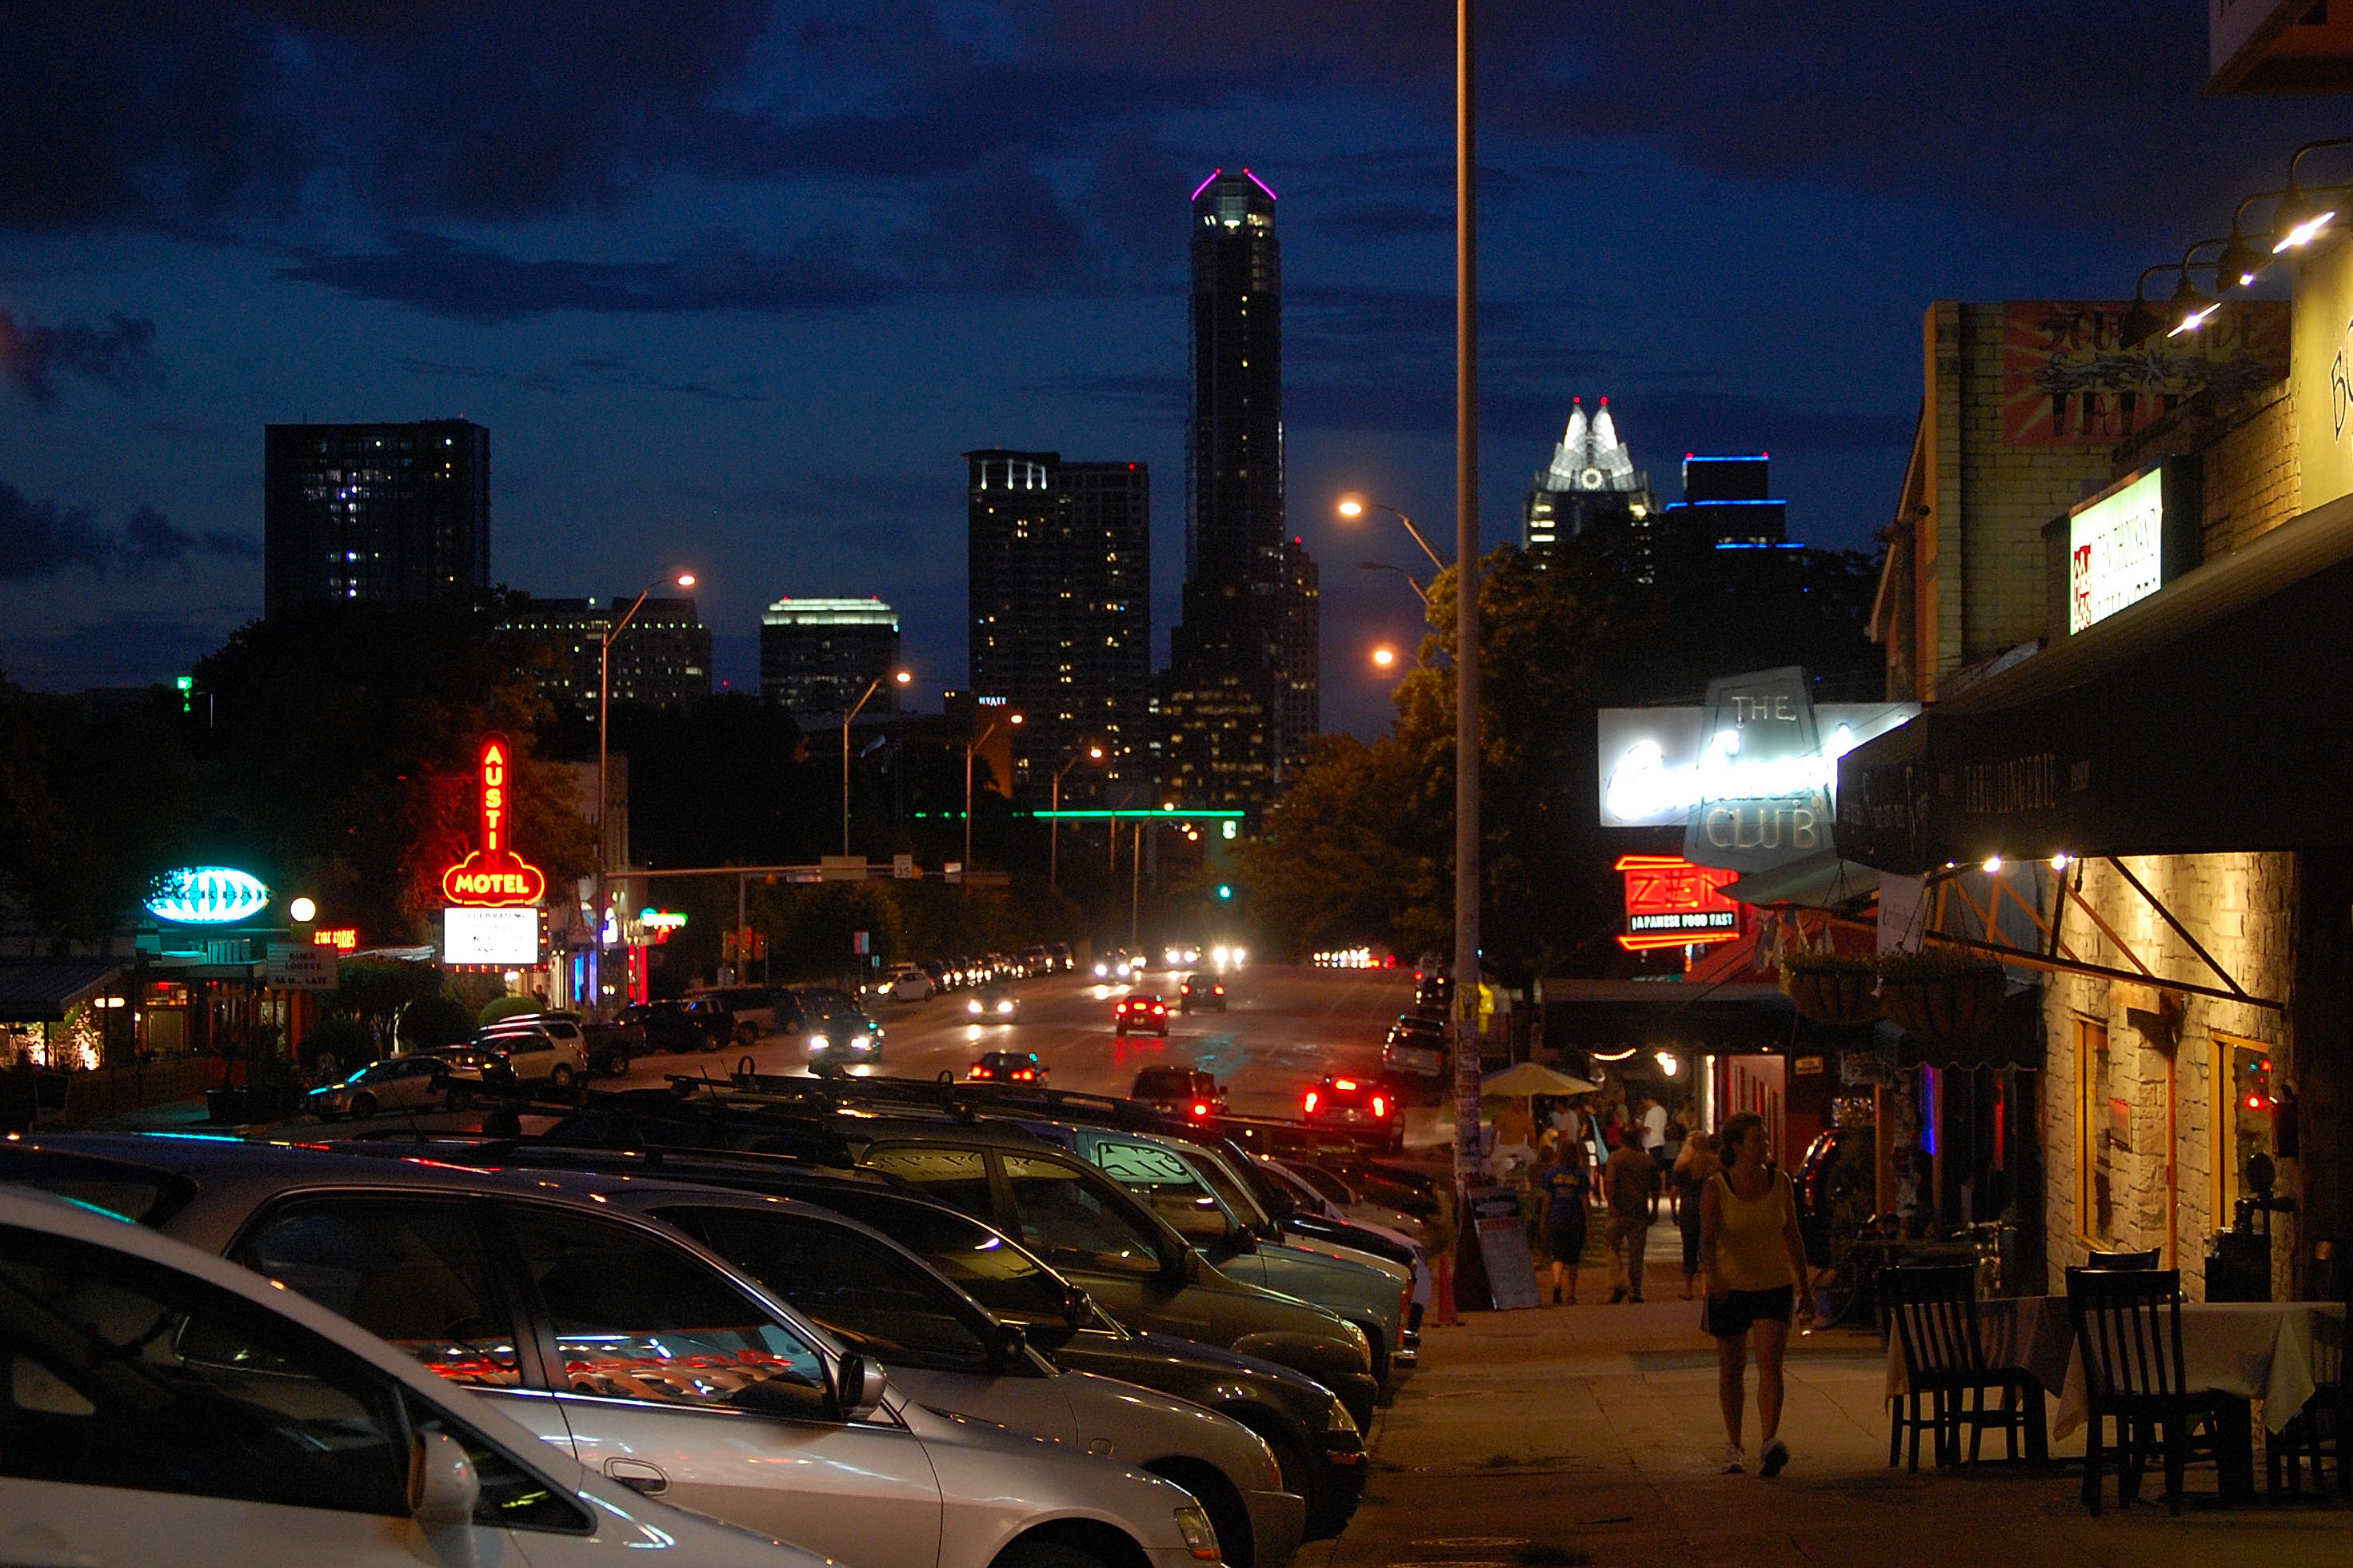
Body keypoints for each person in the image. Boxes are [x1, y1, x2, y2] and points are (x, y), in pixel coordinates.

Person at [1700, 1112, 1812, 1477]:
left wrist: (1805, 1286)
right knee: (1732, 1368)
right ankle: (1734, 1445)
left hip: (1773, 1284)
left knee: (1770, 1364)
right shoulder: (1717, 1186)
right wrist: (1712, 1275)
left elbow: (1793, 1235)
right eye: (1756, 1139)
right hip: (1731, 1286)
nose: (1764, 1144)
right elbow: (1706, 1238)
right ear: (1736, 1146)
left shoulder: (1780, 1181)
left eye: (1764, 1138)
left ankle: (1769, 1441)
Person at [1602, 1133, 1659, 1303]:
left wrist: (1611, 1205)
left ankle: (1617, 1283)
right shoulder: (1647, 1160)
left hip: (1619, 1210)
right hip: (1639, 1211)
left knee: (1611, 1247)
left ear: (1622, 1140)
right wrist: (1654, 1209)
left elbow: (1610, 1183)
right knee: (1636, 1253)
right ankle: (1635, 1290)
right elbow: (1655, 1187)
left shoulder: (1615, 1158)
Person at [1536, 1135, 1591, 1305]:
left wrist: (1544, 1220)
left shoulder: (1552, 1173)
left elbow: (1547, 1198)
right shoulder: (1580, 1174)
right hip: (1575, 1220)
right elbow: (1584, 1200)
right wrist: (1589, 1223)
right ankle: (1571, 1294)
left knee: (1558, 1256)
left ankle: (1557, 1285)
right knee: (1573, 1259)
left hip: (1557, 1218)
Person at [1672, 1131, 1721, 1300]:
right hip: (1709, 1207)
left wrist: (1674, 1211)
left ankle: (1688, 1288)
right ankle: (1707, 1287)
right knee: (1708, 1247)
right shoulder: (1715, 1165)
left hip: (1689, 1208)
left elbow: (1674, 1191)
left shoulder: (1684, 1165)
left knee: (1689, 1247)